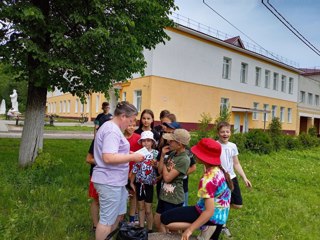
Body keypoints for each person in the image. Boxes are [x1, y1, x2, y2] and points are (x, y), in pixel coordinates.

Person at [161, 138, 233, 240]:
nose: (195, 154)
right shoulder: (219, 170)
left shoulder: (208, 179)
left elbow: (209, 211)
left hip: (211, 218)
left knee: (165, 219)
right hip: (221, 217)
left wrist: (190, 229)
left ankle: (204, 226)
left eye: (198, 152)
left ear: (205, 157)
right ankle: (206, 226)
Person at [92, 101, 145, 240]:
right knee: (106, 220)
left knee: (119, 215)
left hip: (116, 181)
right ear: (123, 116)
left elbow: (115, 151)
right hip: (109, 181)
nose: (131, 124)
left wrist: (129, 152)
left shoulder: (112, 128)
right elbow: (108, 157)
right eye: (131, 120)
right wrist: (132, 156)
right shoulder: (112, 131)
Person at [217, 121, 252, 237]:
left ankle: (219, 208)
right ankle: (222, 226)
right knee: (223, 202)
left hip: (232, 178)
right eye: (222, 131)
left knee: (238, 204)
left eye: (227, 131)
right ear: (218, 133)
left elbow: (236, 163)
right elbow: (209, 162)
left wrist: (244, 178)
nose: (225, 134)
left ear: (230, 133)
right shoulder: (215, 145)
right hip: (220, 179)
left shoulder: (232, 146)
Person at [154, 129, 191, 232]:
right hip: (164, 195)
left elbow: (167, 178)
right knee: (157, 221)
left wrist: (165, 164)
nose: (169, 142)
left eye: (171, 141)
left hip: (173, 198)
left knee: (169, 225)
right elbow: (160, 171)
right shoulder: (172, 154)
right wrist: (162, 156)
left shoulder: (184, 159)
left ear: (179, 144)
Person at [130, 131, 158, 232]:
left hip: (149, 184)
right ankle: (141, 227)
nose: (146, 143)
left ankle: (150, 229)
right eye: (144, 141)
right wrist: (131, 182)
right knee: (140, 206)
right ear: (141, 142)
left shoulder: (155, 153)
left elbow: (159, 168)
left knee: (148, 208)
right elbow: (135, 168)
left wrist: (156, 164)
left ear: (152, 142)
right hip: (139, 183)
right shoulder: (139, 153)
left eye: (148, 141)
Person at [124, 120, 142, 225]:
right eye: (129, 125)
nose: (131, 127)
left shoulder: (138, 138)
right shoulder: (120, 138)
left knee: (134, 195)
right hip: (122, 171)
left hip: (134, 171)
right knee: (123, 196)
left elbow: (140, 156)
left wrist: (133, 172)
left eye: (133, 126)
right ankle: (119, 217)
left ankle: (132, 219)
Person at [85, 140, 99, 232]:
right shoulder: (96, 141)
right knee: (96, 199)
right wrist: (102, 161)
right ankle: (95, 225)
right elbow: (88, 159)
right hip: (96, 174)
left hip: (111, 176)